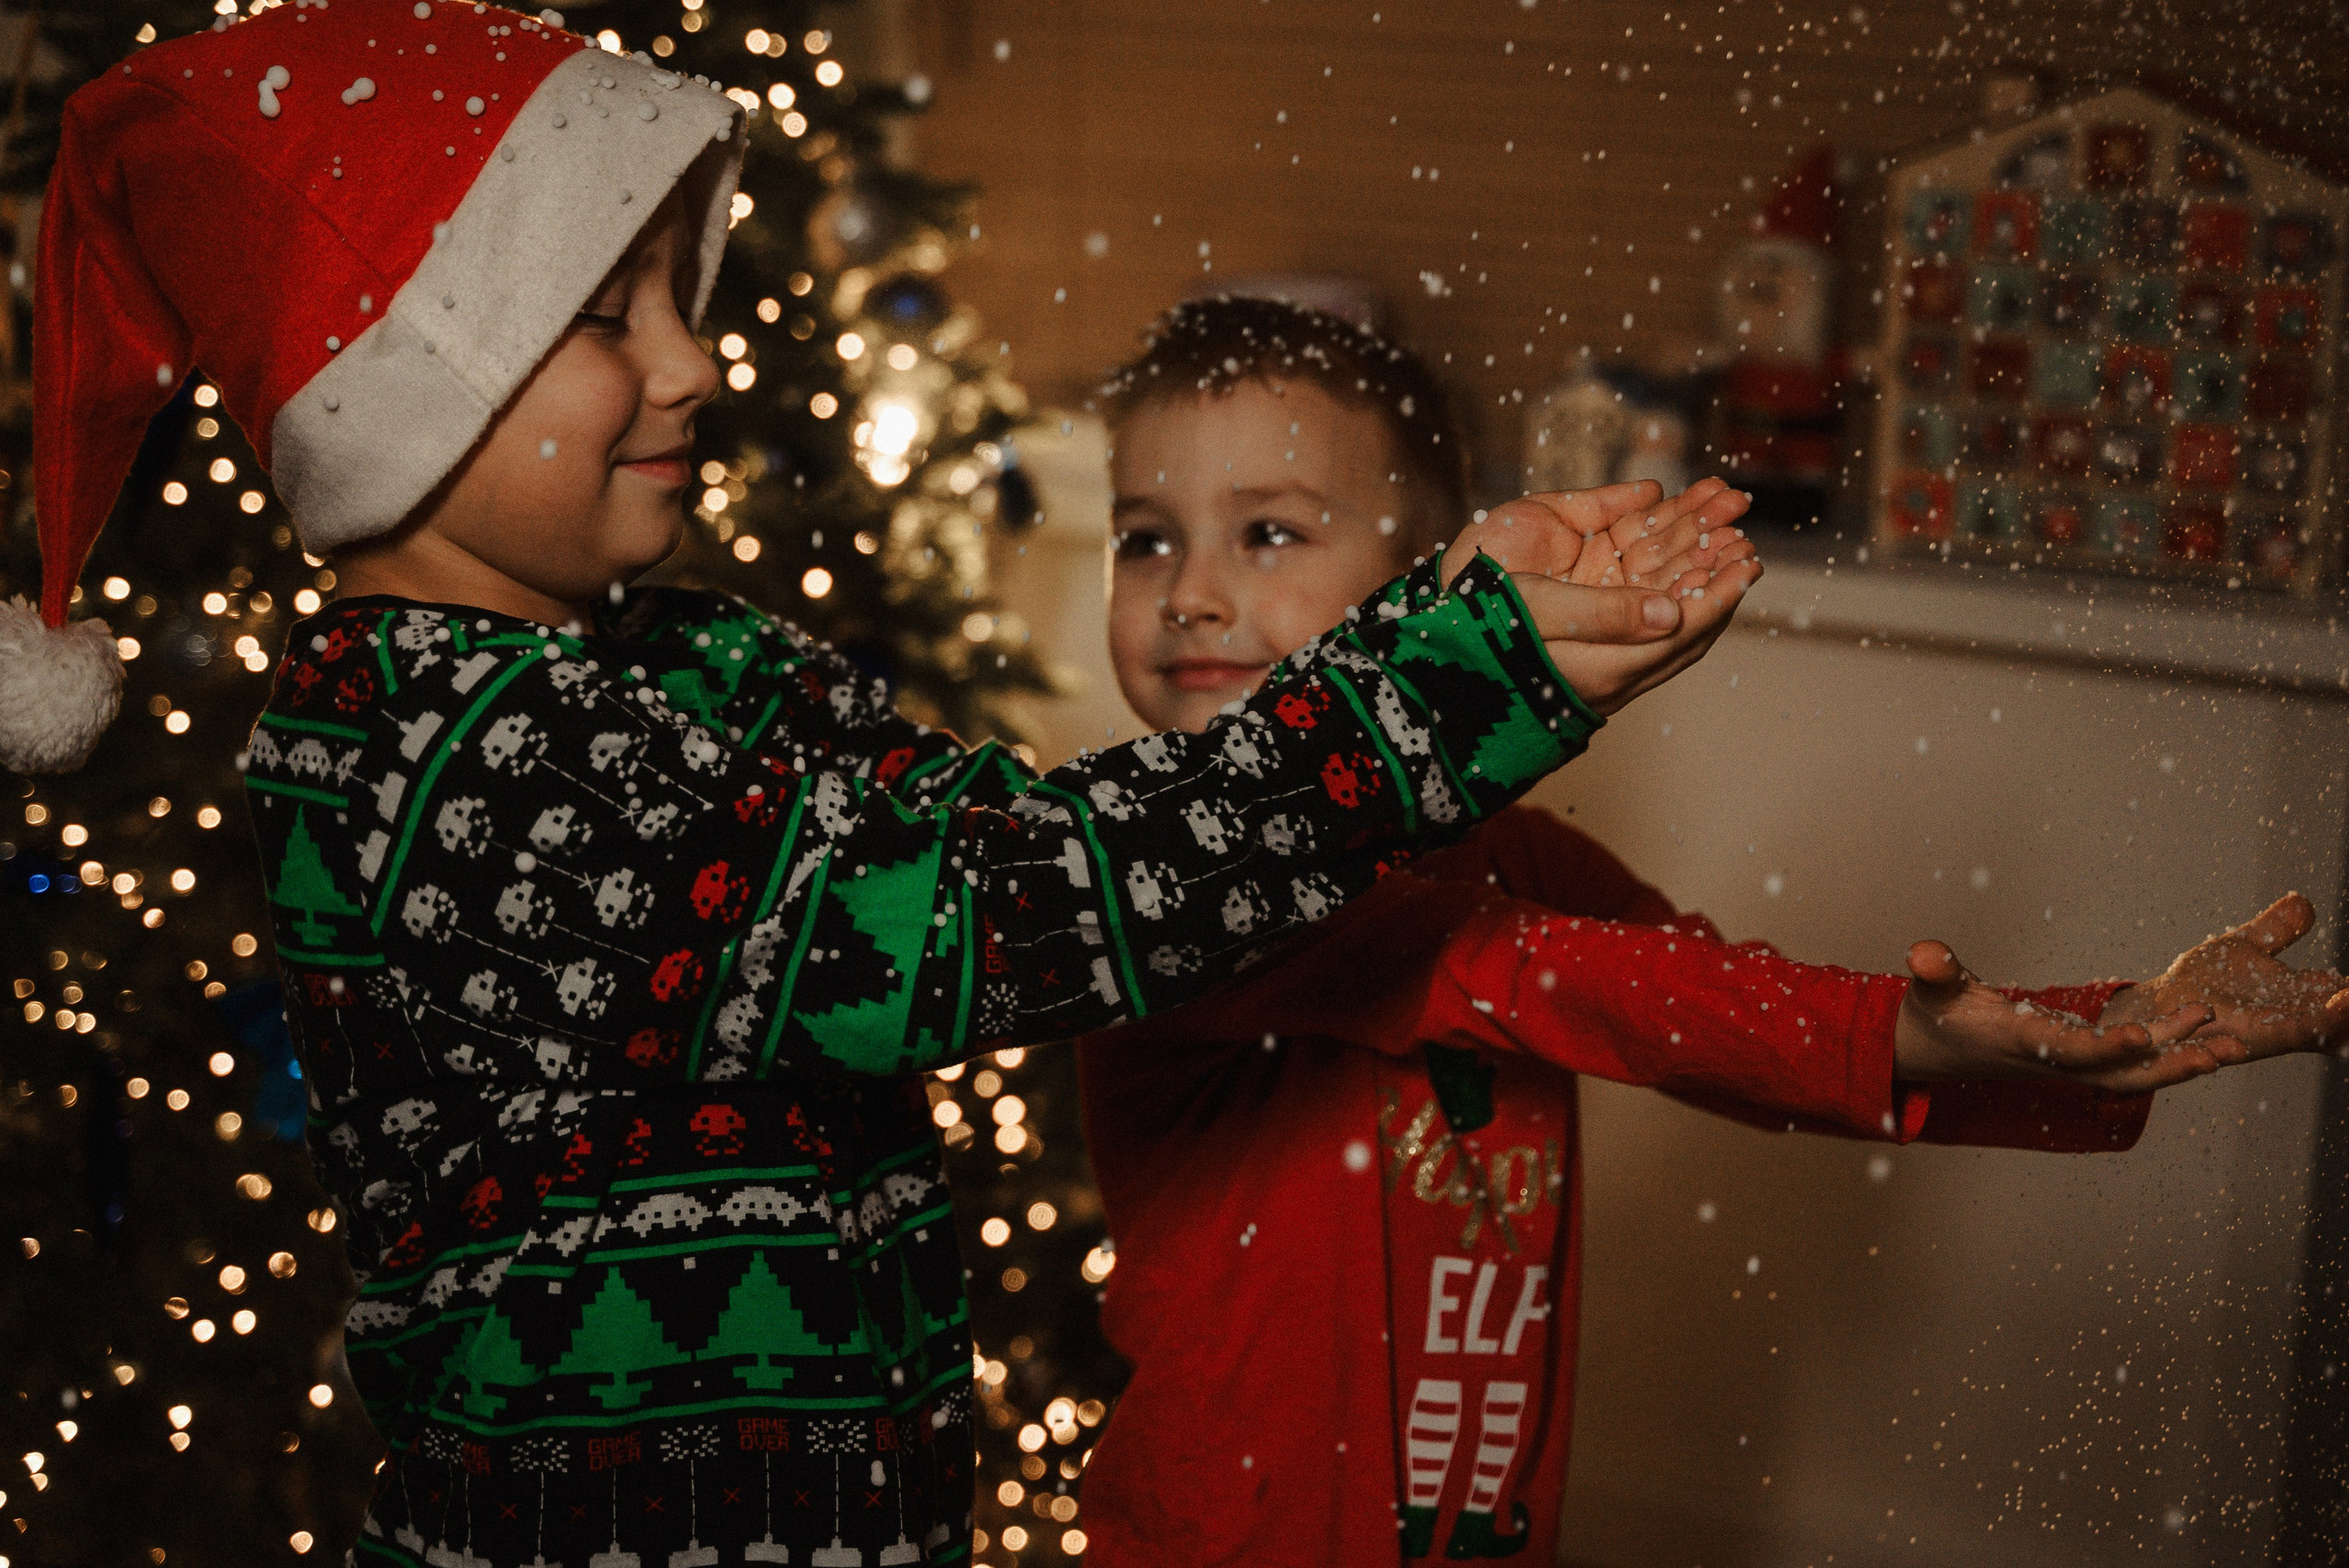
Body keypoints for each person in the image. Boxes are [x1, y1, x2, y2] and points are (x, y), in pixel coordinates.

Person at [0, 12, 1773, 1562]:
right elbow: (1026, 913)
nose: (695, 361)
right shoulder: (456, 769)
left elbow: (1046, 842)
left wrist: (1441, 623)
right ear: (410, 385)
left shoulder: (702, 662)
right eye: (608, 320)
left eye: (674, 304)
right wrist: (1455, 669)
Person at [1068, 295, 2348, 1565]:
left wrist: (2085, 1029)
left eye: (1267, 530)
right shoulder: (1166, 889)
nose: (1189, 592)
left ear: (1429, 586)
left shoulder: (1517, 860)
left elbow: (1709, 1013)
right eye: (1143, 540)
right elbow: (1535, 973)